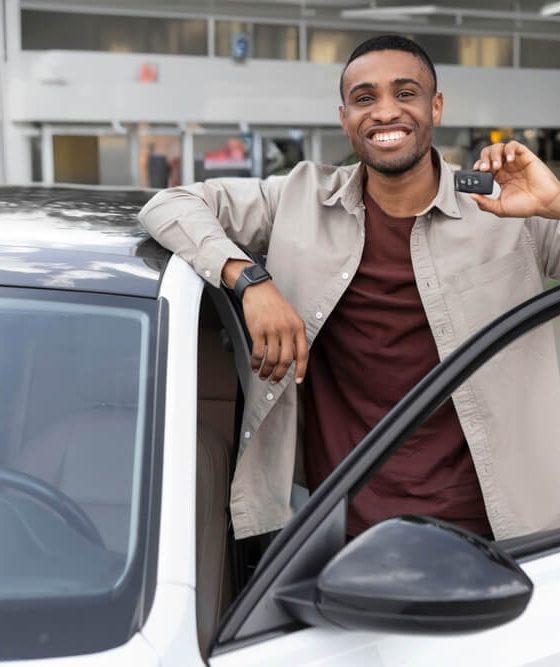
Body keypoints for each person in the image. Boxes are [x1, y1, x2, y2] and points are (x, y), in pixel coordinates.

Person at [139, 34, 560, 542]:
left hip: (506, 531)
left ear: (436, 107)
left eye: (405, 94)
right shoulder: (298, 198)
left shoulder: (508, 210)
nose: (385, 112)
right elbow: (169, 204)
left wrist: (555, 203)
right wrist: (250, 281)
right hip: (335, 536)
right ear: (344, 118)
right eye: (365, 98)